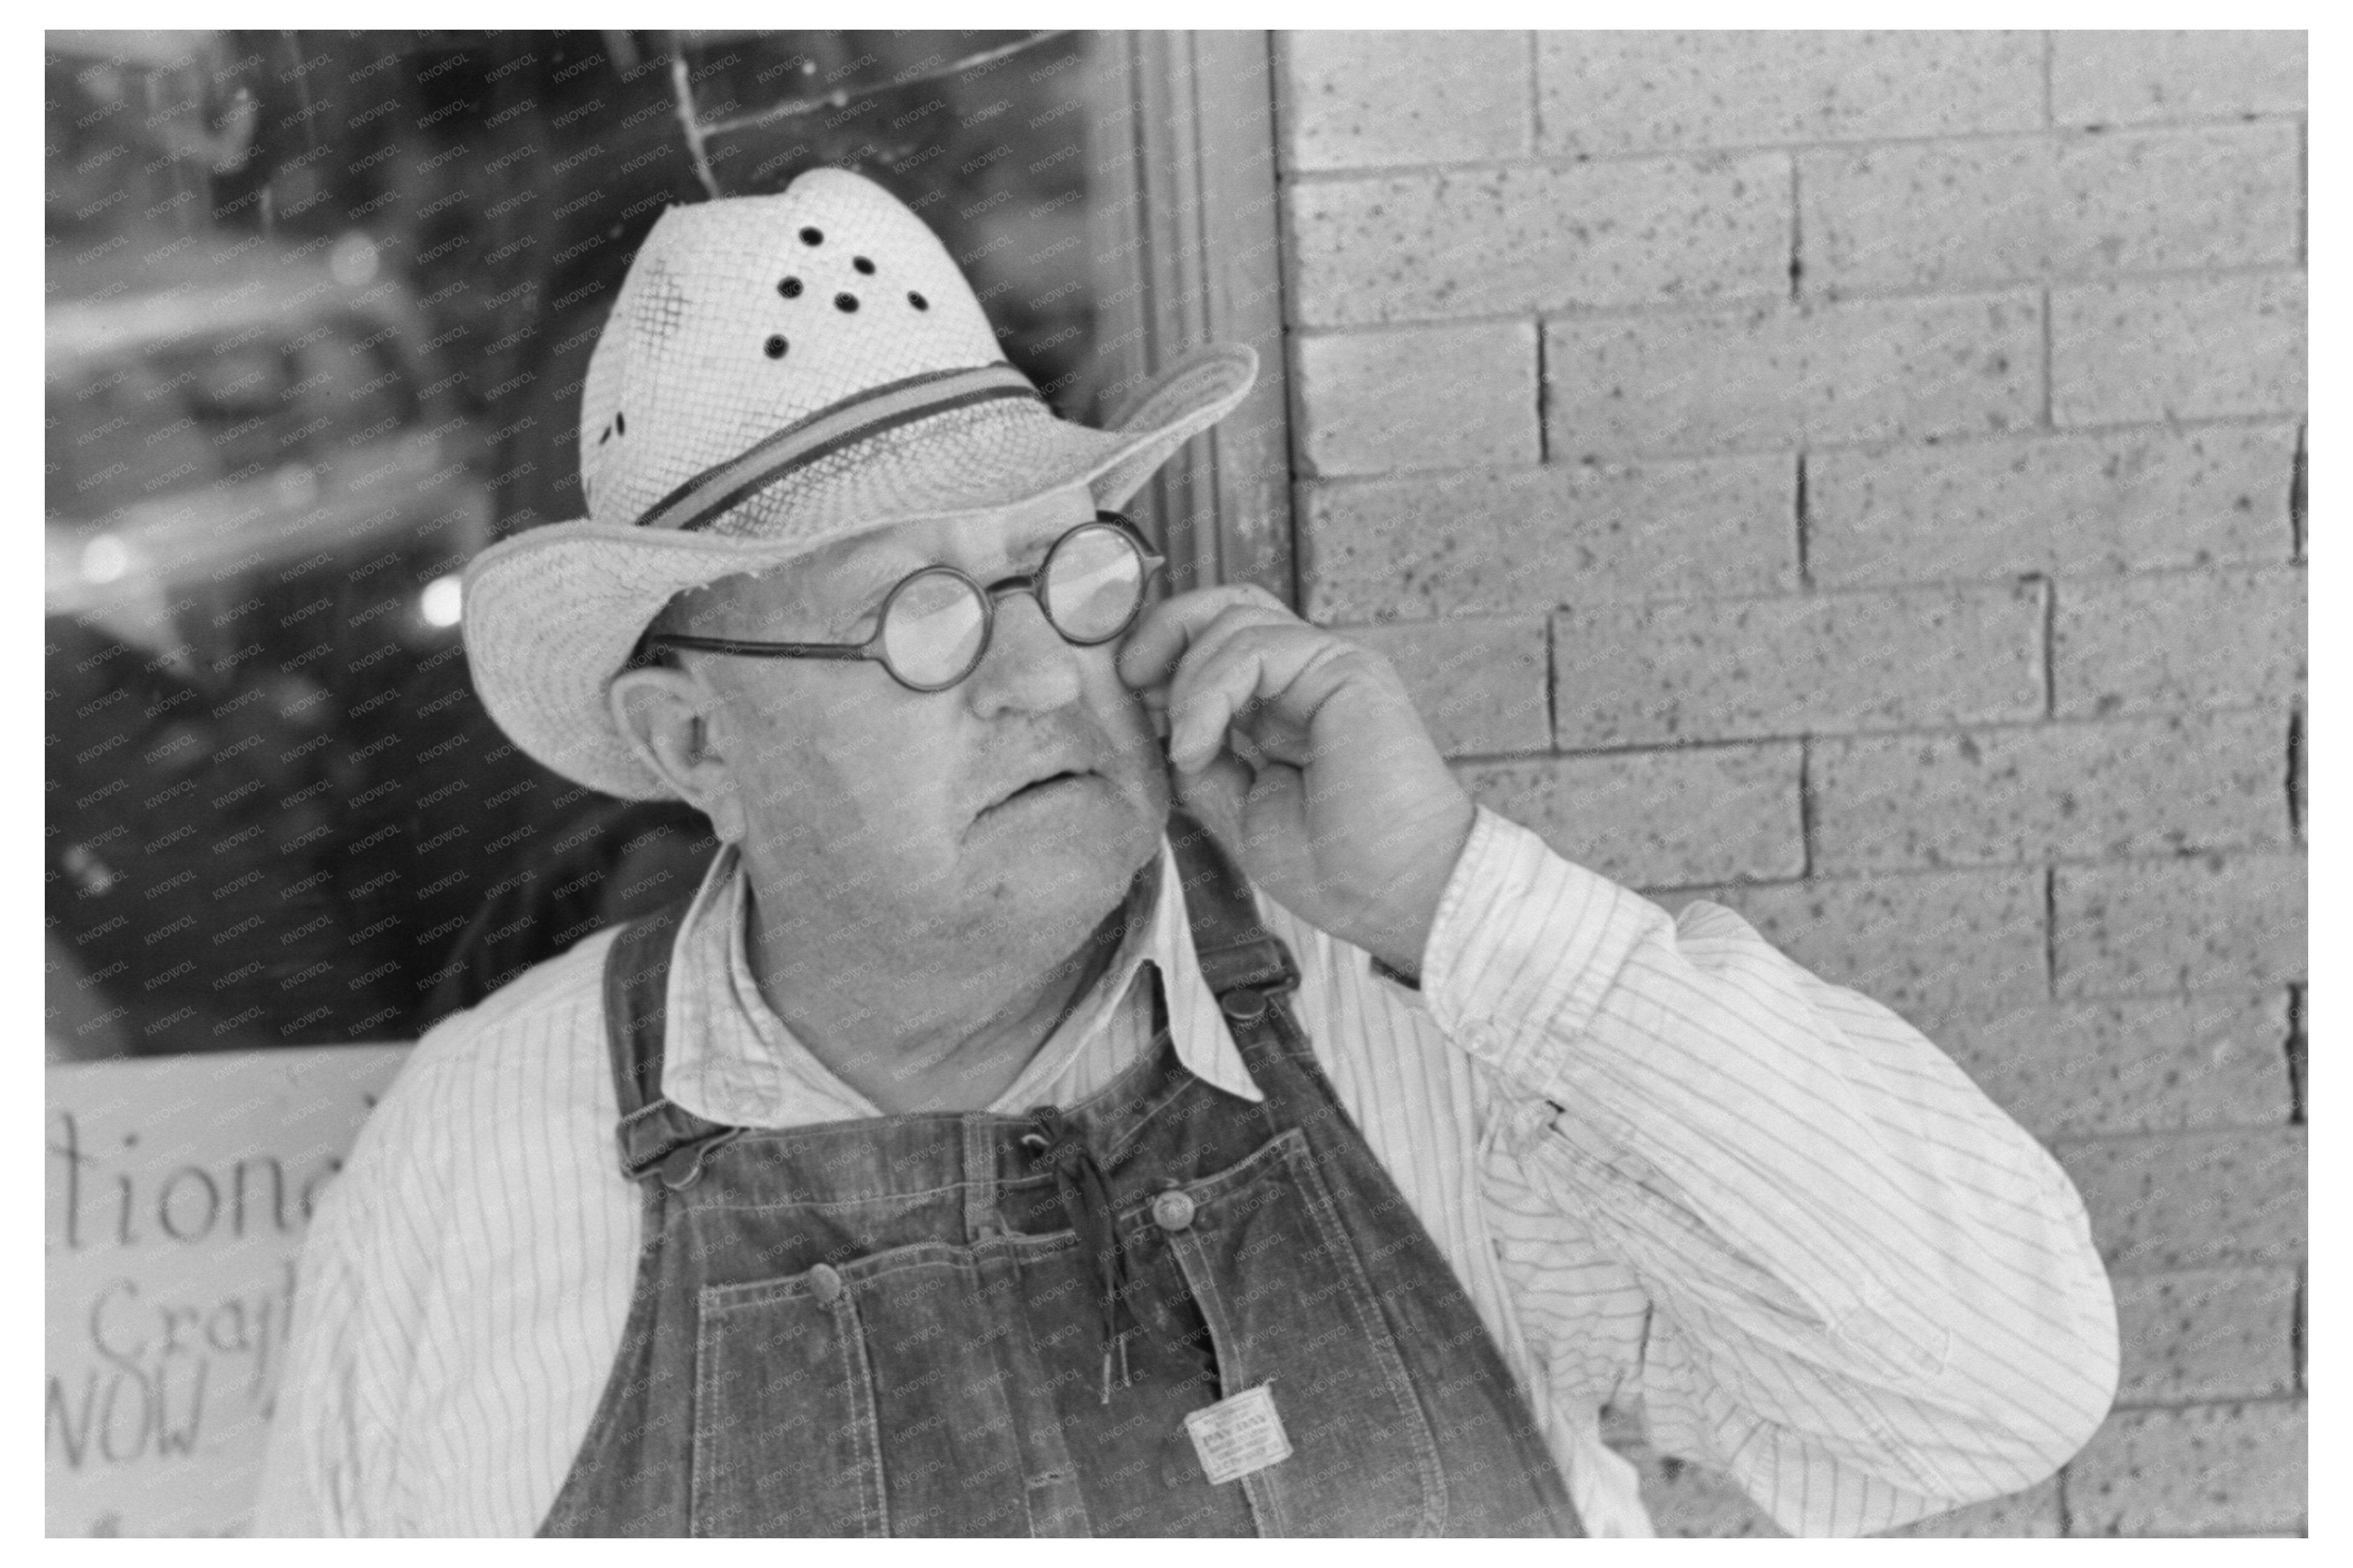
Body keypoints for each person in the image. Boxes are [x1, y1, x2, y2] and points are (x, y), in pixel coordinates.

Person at [257, 168, 2118, 1538]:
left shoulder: (1422, 1029)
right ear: (693, 741)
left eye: (1058, 569)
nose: (1035, 676)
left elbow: (1990, 1391)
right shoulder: (473, 1167)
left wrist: (1454, 897)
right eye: (919, 615)